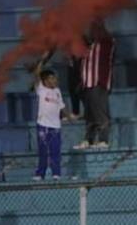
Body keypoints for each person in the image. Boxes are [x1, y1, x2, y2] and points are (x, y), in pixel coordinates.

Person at [75, 19, 115, 150]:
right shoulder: (87, 46)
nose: (90, 31)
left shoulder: (106, 42)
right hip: (86, 83)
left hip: (99, 82)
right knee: (89, 114)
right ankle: (89, 139)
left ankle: (103, 140)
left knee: (100, 113)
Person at [31, 65, 70, 180]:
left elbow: (62, 106)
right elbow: (36, 75)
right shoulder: (41, 90)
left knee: (55, 150)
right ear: (45, 80)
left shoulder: (57, 91)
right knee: (43, 150)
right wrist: (40, 63)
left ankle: (56, 173)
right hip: (43, 126)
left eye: (55, 78)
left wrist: (70, 117)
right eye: (52, 78)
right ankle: (40, 174)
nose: (55, 80)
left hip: (56, 127)